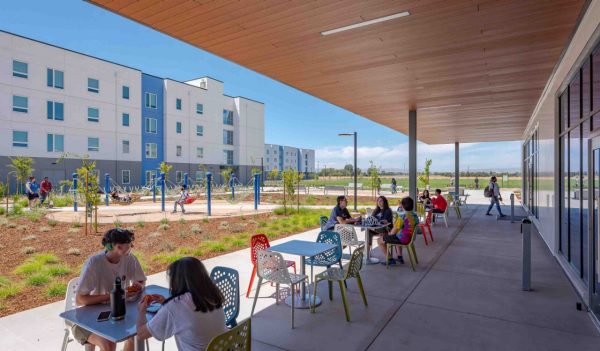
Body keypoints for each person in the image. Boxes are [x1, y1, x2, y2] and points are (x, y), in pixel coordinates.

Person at [74, 228, 146, 351]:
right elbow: (80, 300)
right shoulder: (95, 263)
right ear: (118, 247)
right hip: (85, 321)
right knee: (108, 344)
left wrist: (138, 285)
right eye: (129, 244)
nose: (132, 246)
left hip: (118, 315)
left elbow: (141, 280)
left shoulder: (129, 258)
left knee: (136, 335)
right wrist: (115, 296)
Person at [136, 257, 226, 350]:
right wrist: (165, 303)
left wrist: (142, 310)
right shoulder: (211, 295)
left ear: (176, 280)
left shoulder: (174, 306)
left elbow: (141, 334)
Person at [377, 197, 419, 265]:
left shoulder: (402, 216)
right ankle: (400, 257)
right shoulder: (414, 215)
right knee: (396, 235)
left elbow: (392, 233)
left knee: (379, 240)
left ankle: (390, 259)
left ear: (402, 205)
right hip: (410, 238)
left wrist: (386, 235)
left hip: (403, 239)